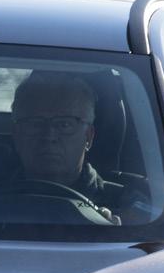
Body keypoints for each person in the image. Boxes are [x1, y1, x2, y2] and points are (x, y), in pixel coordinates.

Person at [8, 71, 143, 222]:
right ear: (17, 135)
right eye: (35, 124)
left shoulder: (130, 210)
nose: (49, 136)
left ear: (88, 137)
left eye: (65, 124)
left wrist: (118, 233)